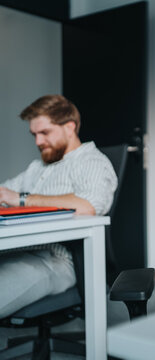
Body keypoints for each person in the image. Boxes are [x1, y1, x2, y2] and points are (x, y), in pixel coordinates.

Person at [0, 95, 117, 318]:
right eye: (34, 134)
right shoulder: (39, 167)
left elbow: (89, 205)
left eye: (44, 133)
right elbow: (6, 192)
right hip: (20, 249)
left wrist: (24, 199)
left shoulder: (91, 161)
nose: (38, 142)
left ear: (69, 127)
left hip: (59, 260)